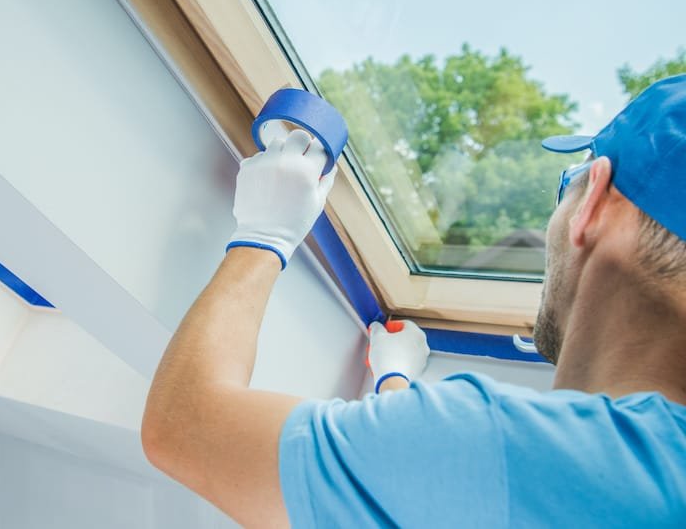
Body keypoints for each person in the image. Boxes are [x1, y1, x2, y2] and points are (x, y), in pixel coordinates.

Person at [140, 75, 686, 527]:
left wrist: (264, 237)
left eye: (570, 182)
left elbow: (185, 426)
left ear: (595, 207)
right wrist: (395, 387)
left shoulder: (506, 449)